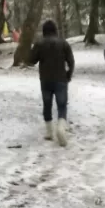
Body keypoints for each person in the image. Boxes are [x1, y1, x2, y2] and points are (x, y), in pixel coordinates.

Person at [29, 19, 75, 147]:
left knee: (47, 104)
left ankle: (49, 132)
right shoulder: (63, 43)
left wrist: (33, 49)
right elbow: (71, 61)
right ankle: (61, 127)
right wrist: (68, 75)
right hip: (61, 79)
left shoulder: (39, 43)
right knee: (62, 105)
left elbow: (31, 60)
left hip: (45, 80)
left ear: (44, 31)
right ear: (55, 30)